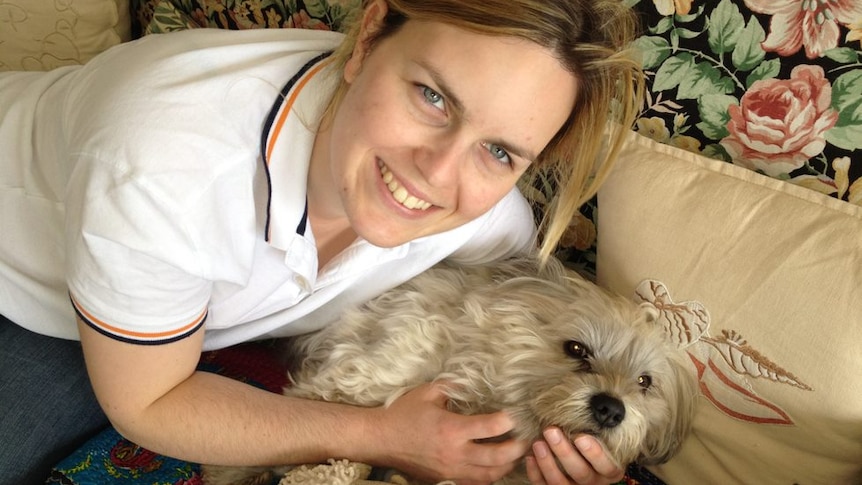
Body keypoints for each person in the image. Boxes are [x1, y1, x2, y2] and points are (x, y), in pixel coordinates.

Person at [0, 0, 643, 483]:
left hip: (185, 320)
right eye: (432, 97)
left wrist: (570, 456)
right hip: (28, 288)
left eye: (499, 150)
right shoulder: (162, 165)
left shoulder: (487, 224)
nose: (438, 173)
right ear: (367, 38)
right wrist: (380, 436)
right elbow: (151, 402)